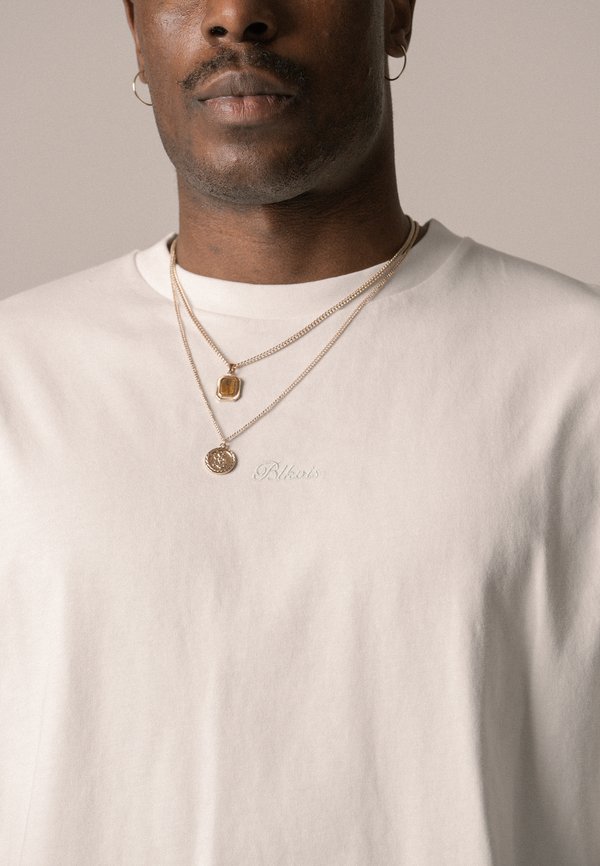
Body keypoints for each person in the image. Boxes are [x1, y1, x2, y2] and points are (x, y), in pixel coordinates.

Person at [1, 1, 599, 863]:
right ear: (134, 27)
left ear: (395, 15)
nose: (236, 15)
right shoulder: (18, 375)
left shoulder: (576, 374)